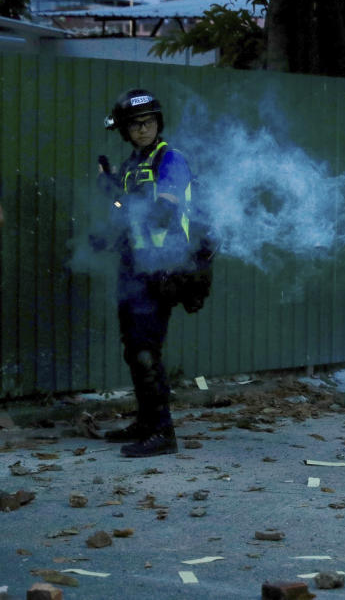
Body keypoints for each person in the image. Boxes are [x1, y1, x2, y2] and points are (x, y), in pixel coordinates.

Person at [97, 89, 197, 457]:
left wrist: (132, 205)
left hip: (163, 267)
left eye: (148, 122)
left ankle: (163, 432)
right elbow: (123, 213)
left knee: (145, 350)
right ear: (124, 131)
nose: (143, 130)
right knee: (133, 347)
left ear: (158, 123)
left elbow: (164, 211)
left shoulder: (170, 159)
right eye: (135, 125)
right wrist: (111, 186)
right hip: (135, 266)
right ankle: (146, 421)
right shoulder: (131, 166)